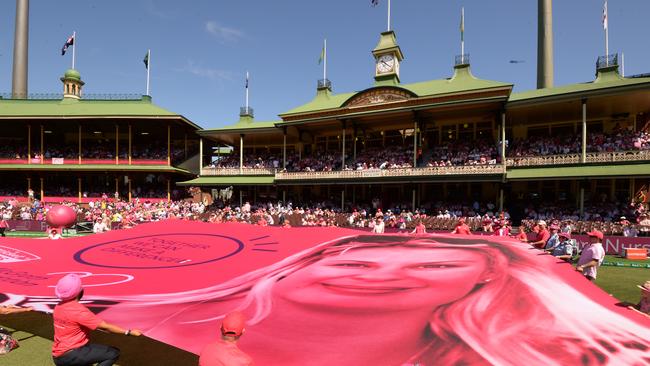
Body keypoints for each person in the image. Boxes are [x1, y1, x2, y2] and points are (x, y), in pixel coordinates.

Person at [99, 235, 650, 365]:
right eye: (355, 260)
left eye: (434, 263)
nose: (376, 276)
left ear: (486, 285)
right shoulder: (158, 311)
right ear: (296, 267)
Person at [51, 274, 142, 366]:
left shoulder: (58, 306)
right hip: (72, 355)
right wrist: (128, 332)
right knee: (113, 353)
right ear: (79, 291)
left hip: (58, 356)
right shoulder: (79, 311)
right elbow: (105, 327)